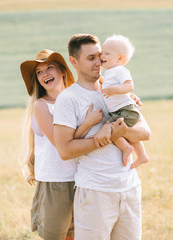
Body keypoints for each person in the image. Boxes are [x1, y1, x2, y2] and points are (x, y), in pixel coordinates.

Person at [53, 34, 151, 240]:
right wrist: (102, 137)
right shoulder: (68, 99)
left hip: (129, 187)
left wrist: (115, 129)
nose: (99, 62)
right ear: (74, 61)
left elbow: (144, 133)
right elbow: (64, 150)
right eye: (90, 58)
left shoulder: (116, 89)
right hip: (95, 191)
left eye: (100, 56)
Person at [19, 49, 102, 240]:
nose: (45, 74)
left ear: (63, 71)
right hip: (56, 180)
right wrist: (88, 122)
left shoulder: (77, 99)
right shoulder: (42, 105)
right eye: (39, 72)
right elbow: (61, 144)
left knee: (79, 234)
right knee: (57, 236)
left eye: (50, 68)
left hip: (83, 177)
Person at [100, 34, 149, 168]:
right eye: (101, 53)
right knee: (125, 132)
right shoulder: (109, 72)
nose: (101, 56)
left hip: (126, 110)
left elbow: (129, 86)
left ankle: (126, 148)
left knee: (110, 128)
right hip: (121, 110)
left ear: (120, 58)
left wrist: (115, 90)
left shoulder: (120, 70)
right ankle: (142, 155)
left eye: (106, 53)